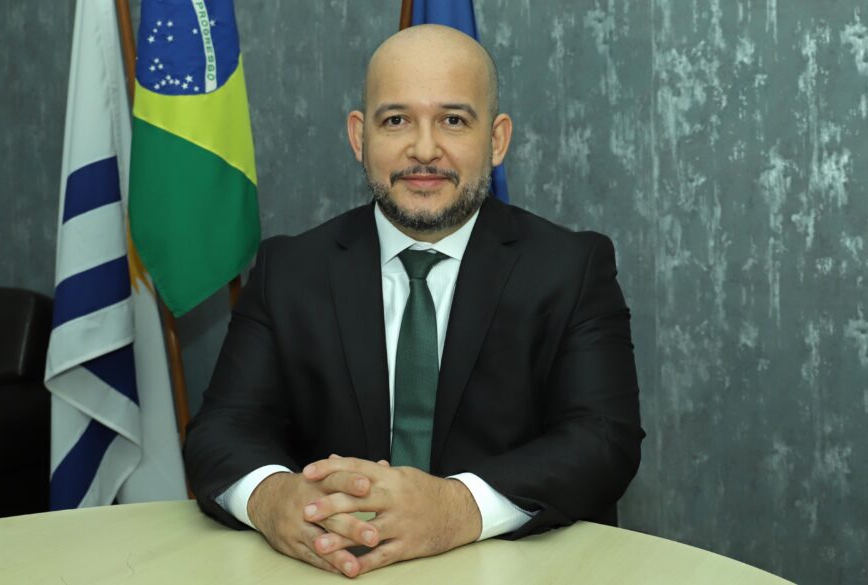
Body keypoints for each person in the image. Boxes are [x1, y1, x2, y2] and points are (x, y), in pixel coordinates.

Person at [183, 24, 644, 579]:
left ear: (497, 140)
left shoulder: (571, 267)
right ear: (360, 137)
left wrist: (455, 508)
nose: (424, 150)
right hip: (336, 569)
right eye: (396, 120)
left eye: (454, 120)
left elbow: (603, 439)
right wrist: (272, 498)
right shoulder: (289, 270)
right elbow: (221, 429)